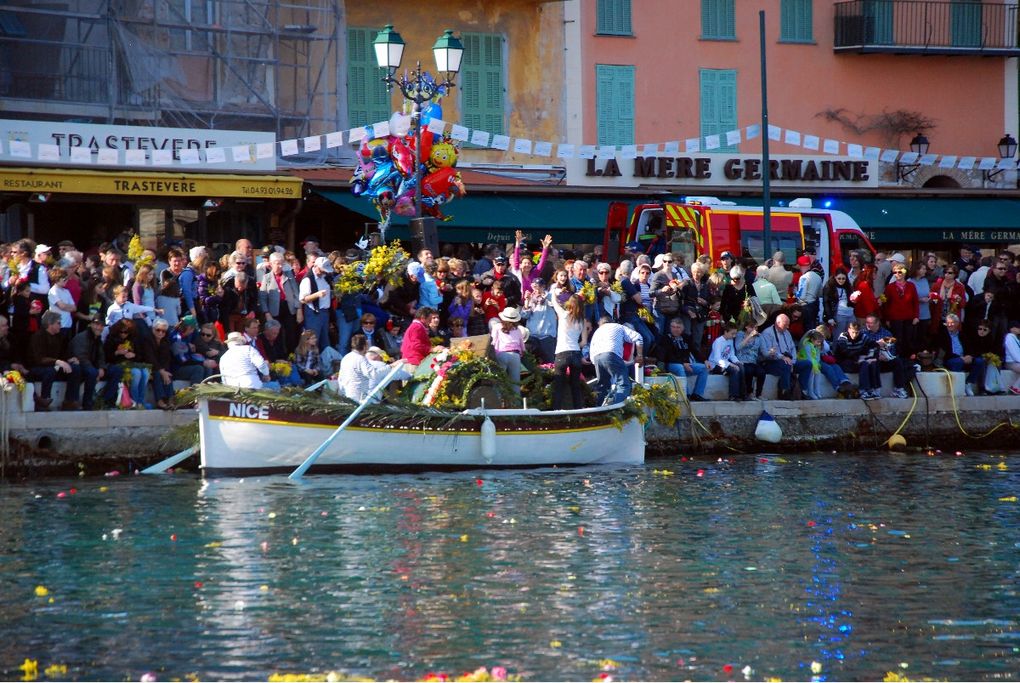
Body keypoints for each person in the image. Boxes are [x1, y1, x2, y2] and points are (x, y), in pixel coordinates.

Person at [28, 310, 83, 411]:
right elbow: (39, 359)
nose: (60, 325)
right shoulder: (38, 336)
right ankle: (44, 400)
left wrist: (70, 359)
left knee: (75, 368)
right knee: (50, 371)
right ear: (50, 323)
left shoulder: (59, 337)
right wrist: (57, 361)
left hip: (55, 366)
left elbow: (63, 355)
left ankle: (70, 401)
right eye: (58, 323)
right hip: (38, 368)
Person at [589, 315, 643, 406]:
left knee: (602, 386)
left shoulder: (597, 331)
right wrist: (639, 356)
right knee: (623, 385)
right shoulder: (618, 327)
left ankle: (597, 410)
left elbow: (592, 352)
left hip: (597, 358)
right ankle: (616, 410)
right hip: (611, 354)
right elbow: (638, 338)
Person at [759, 313, 813, 400]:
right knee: (785, 364)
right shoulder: (767, 333)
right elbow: (769, 352)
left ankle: (801, 391)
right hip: (771, 362)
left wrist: (793, 361)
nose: (787, 327)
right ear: (778, 323)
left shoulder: (787, 332)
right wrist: (783, 358)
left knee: (807, 364)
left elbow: (792, 348)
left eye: (788, 325)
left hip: (789, 361)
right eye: (785, 325)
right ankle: (785, 391)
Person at [550, 293, 588, 410]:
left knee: (559, 386)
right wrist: (575, 345)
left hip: (562, 353)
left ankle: (556, 412)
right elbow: (584, 342)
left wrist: (554, 293)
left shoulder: (564, 315)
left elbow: (555, 303)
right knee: (575, 386)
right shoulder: (582, 321)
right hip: (576, 353)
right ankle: (578, 411)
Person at [656, 317, 708, 402]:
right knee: (680, 367)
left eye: (678, 327)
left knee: (704, 368)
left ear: (682, 328)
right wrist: (683, 363)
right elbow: (669, 356)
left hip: (685, 364)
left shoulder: (686, 337)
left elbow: (694, 350)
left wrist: (705, 360)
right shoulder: (665, 338)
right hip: (671, 364)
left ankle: (697, 394)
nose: (675, 329)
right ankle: (685, 394)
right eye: (673, 327)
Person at [934, 313, 987, 396]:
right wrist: (961, 358)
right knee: (958, 362)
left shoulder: (962, 335)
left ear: (957, 324)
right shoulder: (942, 335)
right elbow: (944, 352)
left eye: (952, 323)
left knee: (979, 361)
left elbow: (970, 347)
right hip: (951, 359)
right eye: (948, 323)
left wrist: (970, 356)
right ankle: (959, 387)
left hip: (964, 358)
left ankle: (968, 383)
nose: (950, 325)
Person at [862, 314, 912, 399]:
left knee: (897, 361)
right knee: (874, 361)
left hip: (885, 360)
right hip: (871, 361)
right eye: (867, 322)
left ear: (877, 323)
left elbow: (892, 349)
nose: (868, 325)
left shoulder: (886, 333)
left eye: (871, 323)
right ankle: (875, 390)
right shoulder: (863, 333)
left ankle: (899, 388)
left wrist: (887, 357)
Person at [68, 312, 109, 410]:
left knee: (115, 371)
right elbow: (81, 356)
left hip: (90, 365)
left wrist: (101, 367)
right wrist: (95, 370)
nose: (99, 327)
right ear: (91, 324)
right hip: (77, 365)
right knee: (91, 372)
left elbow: (101, 355)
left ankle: (105, 401)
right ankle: (85, 402)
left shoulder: (97, 338)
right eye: (96, 324)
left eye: (101, 325)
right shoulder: (82, 337)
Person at [835, 321, 882, 400]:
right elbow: (846, 353)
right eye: (853, 332)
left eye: (856, 333)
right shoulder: (843, 337)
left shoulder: (862, 336)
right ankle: (863, 390)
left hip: (859, 360)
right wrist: (860, 355)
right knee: (864, 363)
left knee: (873, 363)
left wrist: (873, 357)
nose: (854, 335)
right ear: (848, 330)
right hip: (845, 362)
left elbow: (875, 345)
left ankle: (875, 390)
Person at [882, 261, 920, 359]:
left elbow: (915, 301)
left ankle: (908, 360)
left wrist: (916, 316)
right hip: (895, 318)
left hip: (909, 317)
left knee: (909, 340)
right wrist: (887, 319)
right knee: (897, 340)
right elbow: (886, 304)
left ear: (904, 272)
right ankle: (898, 360)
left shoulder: (911, 286)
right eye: (895, 272)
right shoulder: (890, 287)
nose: (897, 274)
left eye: (900, 272)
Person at [298, 256, 334, 348]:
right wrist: (317, 295)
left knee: (325, 341)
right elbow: (303, 299)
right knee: (313, 341)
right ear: (316, 266)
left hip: (325, 313)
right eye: (322, 271)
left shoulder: (325, 277)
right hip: (313, 314)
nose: (324, 273)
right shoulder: (308, 279)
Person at [521, 277, 556, 364]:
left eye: (539, 286)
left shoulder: (550, 296)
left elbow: (555, 302)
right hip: (532, 336)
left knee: (549, 363)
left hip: (547, 336)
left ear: (544, 286)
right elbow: (524, 316)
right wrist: (527, 301)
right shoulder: (531, 298)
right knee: (531, 364)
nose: (537, 289)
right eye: (535, 286)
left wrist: (543, 293)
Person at [707, 321, 745, 401]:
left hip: (725, 363)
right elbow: (717, 359)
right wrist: (730, 365)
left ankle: (742, 394)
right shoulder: (718, 341)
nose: (734, 336)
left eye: (735, 334)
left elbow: (731, 355)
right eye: (732, 333)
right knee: (734, 370)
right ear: (725, 332)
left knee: (741, 367)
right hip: (716, 365)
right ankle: (733, 395)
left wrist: (737, 362)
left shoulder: (730, 341)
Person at [490, 307, 528, 384]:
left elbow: (493, 341)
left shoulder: (497, 327)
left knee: (499, 381)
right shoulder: (518, 330)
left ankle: (499, 396)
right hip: (515, 355)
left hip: (501, 354)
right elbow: (522, 346)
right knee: (515, 382)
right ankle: (515, 396)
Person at [734, 318, 766, 399]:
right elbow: (738, 347)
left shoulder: (759, 337)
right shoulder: (740, 334)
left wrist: (771, 352)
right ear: (746, 327)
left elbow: (764, 352)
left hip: (753, 361)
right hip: (742, 361)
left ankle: (759, 394)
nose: (754, 330)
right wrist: (749, 336)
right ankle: (749, 392)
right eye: (752, 327)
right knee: (749, 371)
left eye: (756, 328)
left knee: (761, 372)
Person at [822, 268, 855, 340]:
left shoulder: (848, 286)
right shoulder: (830, 286)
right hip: (839, 314)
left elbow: (851, 300)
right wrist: (830, 317)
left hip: (850, 313)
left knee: (851, 337)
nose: (841, 280)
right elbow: (826, 302)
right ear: (835, 277)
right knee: (838, 337)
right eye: (839, 278)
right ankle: (836, 351)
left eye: (843, 278)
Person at [794, 255, 822, 327]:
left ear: (801, 266)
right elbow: (820, 293)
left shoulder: (804, 278)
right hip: (815, 306)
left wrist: (795, 292)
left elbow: (802, 296)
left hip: (806, 307)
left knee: (807, 330)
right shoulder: (818, 277)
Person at [1004, 320, 1020, 395]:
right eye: (1017, 327)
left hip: (1016, 362)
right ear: (1012, 329)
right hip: (1011, 362)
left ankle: (1015, 387)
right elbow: (1013, 352)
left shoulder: (1016, 338)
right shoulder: (1009, 337)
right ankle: (1015, 387)